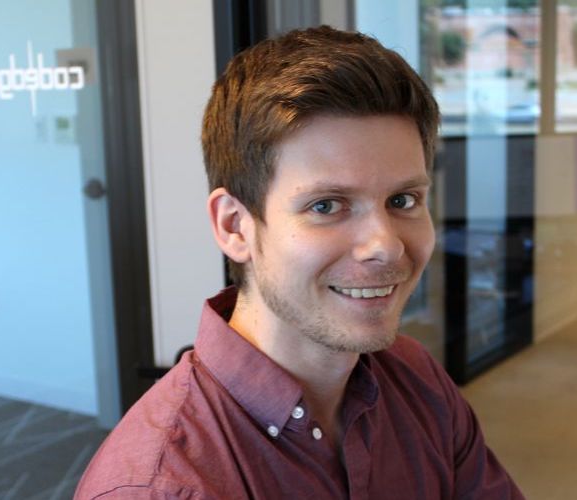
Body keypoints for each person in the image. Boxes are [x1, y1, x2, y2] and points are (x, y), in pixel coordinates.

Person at [75, 26, 523, 499]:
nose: (385, 246)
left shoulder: (415, 378)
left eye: (403, 199)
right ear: (235, 227)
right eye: (327, 206)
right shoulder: (162, 487)